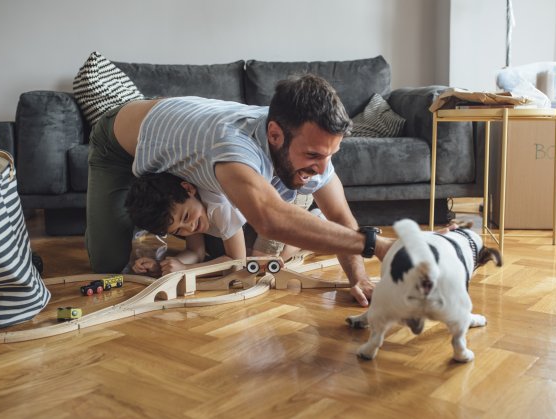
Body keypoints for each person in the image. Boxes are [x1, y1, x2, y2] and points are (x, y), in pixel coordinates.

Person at [86, 74, 393, 307]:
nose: (323, 169)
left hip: (181, 135)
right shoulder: (233, 148)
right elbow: (271, 220)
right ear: (275, 135)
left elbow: (339, 214)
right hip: (121, 141)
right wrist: (378, 246)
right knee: (108, 263)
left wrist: (360, 279)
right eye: (313, 155)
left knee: (227, 254)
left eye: (330, 154)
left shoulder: (307, 145)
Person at [124, 172, 316, 277]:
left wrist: (185, 271)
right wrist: (163, 267)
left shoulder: (218, 205)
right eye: (179, 231)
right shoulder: (186, 208)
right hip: (261, 205)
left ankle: (313, 225)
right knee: (249, 259)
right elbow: (196, 253)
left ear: (189, 189)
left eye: (186, 218)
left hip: (290, 191)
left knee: (261, 262)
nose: (189, 228)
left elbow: (236, 263)